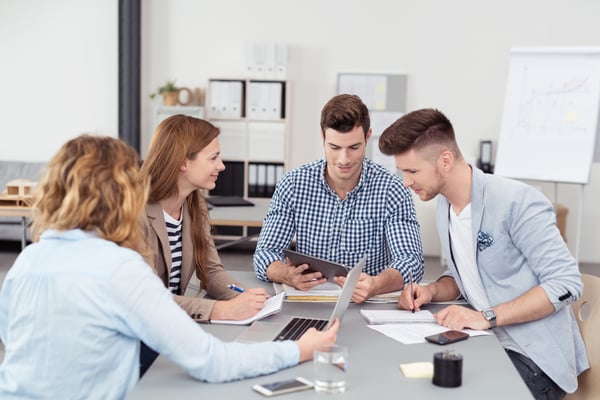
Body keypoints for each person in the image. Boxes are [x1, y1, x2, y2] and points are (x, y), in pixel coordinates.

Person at [0, 135, 339, 399]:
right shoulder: (119, 268)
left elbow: (15, 342)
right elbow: (213, 362)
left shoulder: (28, 260)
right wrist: (300, 349)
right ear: (123, 194)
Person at [378, 108, 589, 399]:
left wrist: (485, 317)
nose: (406, 181)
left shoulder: (516, 201)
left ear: (445, 161)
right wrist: (432, 291)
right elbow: (465, 274)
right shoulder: (445, 206)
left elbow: (566, 283)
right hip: (483, 342)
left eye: (413, 171)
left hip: (533, 360)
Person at [253, 94, 424, 303]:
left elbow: (411, 261)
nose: (344, 159)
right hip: (309, 304)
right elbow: (265, 252)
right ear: (322, 137)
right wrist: (286, 274)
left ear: (368, 136)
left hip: (367, 304)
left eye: (353, 147)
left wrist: (376, 284)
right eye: (335, 148)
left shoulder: (393, 189)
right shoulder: (293, 184)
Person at [139, 114, 268, 323]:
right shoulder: (135, 213)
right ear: (183, 162)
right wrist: (220, 310)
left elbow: (211, 271)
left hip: (168, 326)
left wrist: (246, 297)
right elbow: (146, 299)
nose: (222, 166)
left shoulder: (194, 203)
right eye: (213, 157)